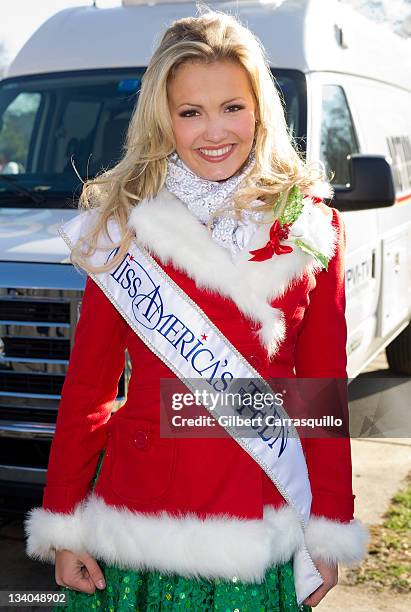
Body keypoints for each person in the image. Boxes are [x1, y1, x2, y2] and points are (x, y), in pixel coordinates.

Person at [24, 9, 369, 612]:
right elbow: (87, 390)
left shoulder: (311, 228)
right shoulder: (123, 229)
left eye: (232, 107)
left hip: (261, 520)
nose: (215, 131)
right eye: (191, 112)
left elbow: (321, 397)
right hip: (141, 526)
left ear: (259, 108)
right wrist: (64, 521)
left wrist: (330, 524)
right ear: (164, 120)